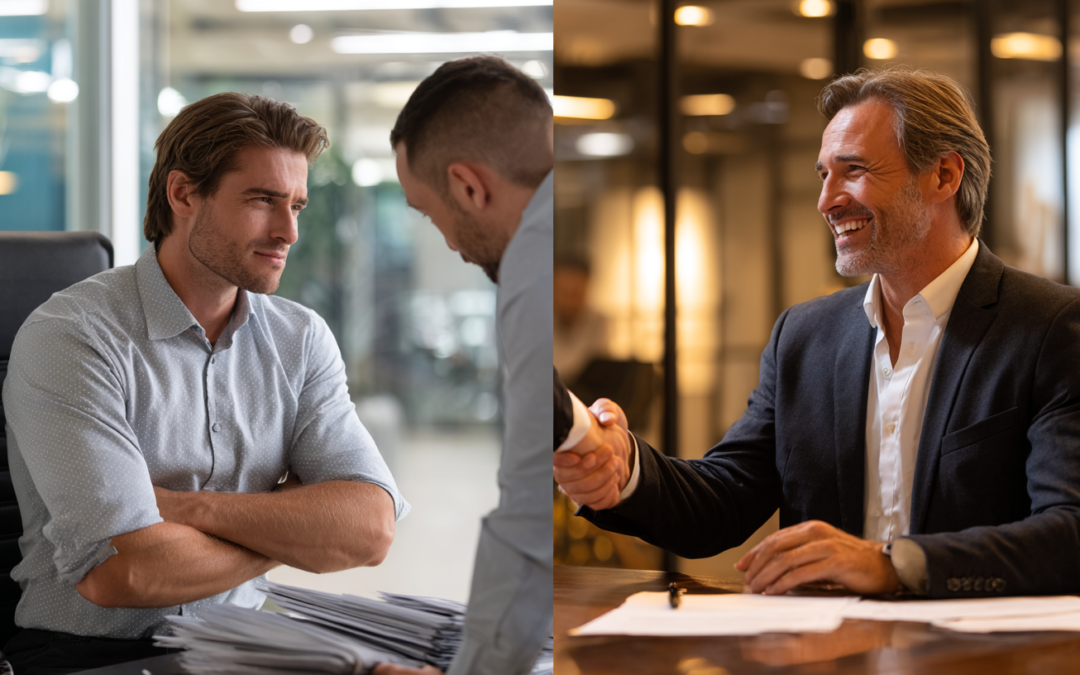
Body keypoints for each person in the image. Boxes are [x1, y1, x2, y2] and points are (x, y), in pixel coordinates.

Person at [554, 67, 1080, 599]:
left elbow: (1070, 531)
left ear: (943, 175)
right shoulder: (804, 336)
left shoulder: (1052, 328)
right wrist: (623, 469)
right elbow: (724, 499)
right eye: (824, 175)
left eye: (854, 170)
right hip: (823, 641)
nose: (827, 200)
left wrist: (892, 564)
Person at [1, 92, 408, 674]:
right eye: (263, 200)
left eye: (297, 205)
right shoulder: (74, 336)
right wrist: (293, 525)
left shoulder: (299, 338)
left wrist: (185, 510)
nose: (289, 231)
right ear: (183, 194)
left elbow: (369, 530)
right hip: (92, 656)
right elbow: (125, 571)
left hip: (242, 646)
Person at [375, 55, 552, 675]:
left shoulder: (531, 265)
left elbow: (528, 516)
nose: (449, 242)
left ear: (469, 187)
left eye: (431, 214)